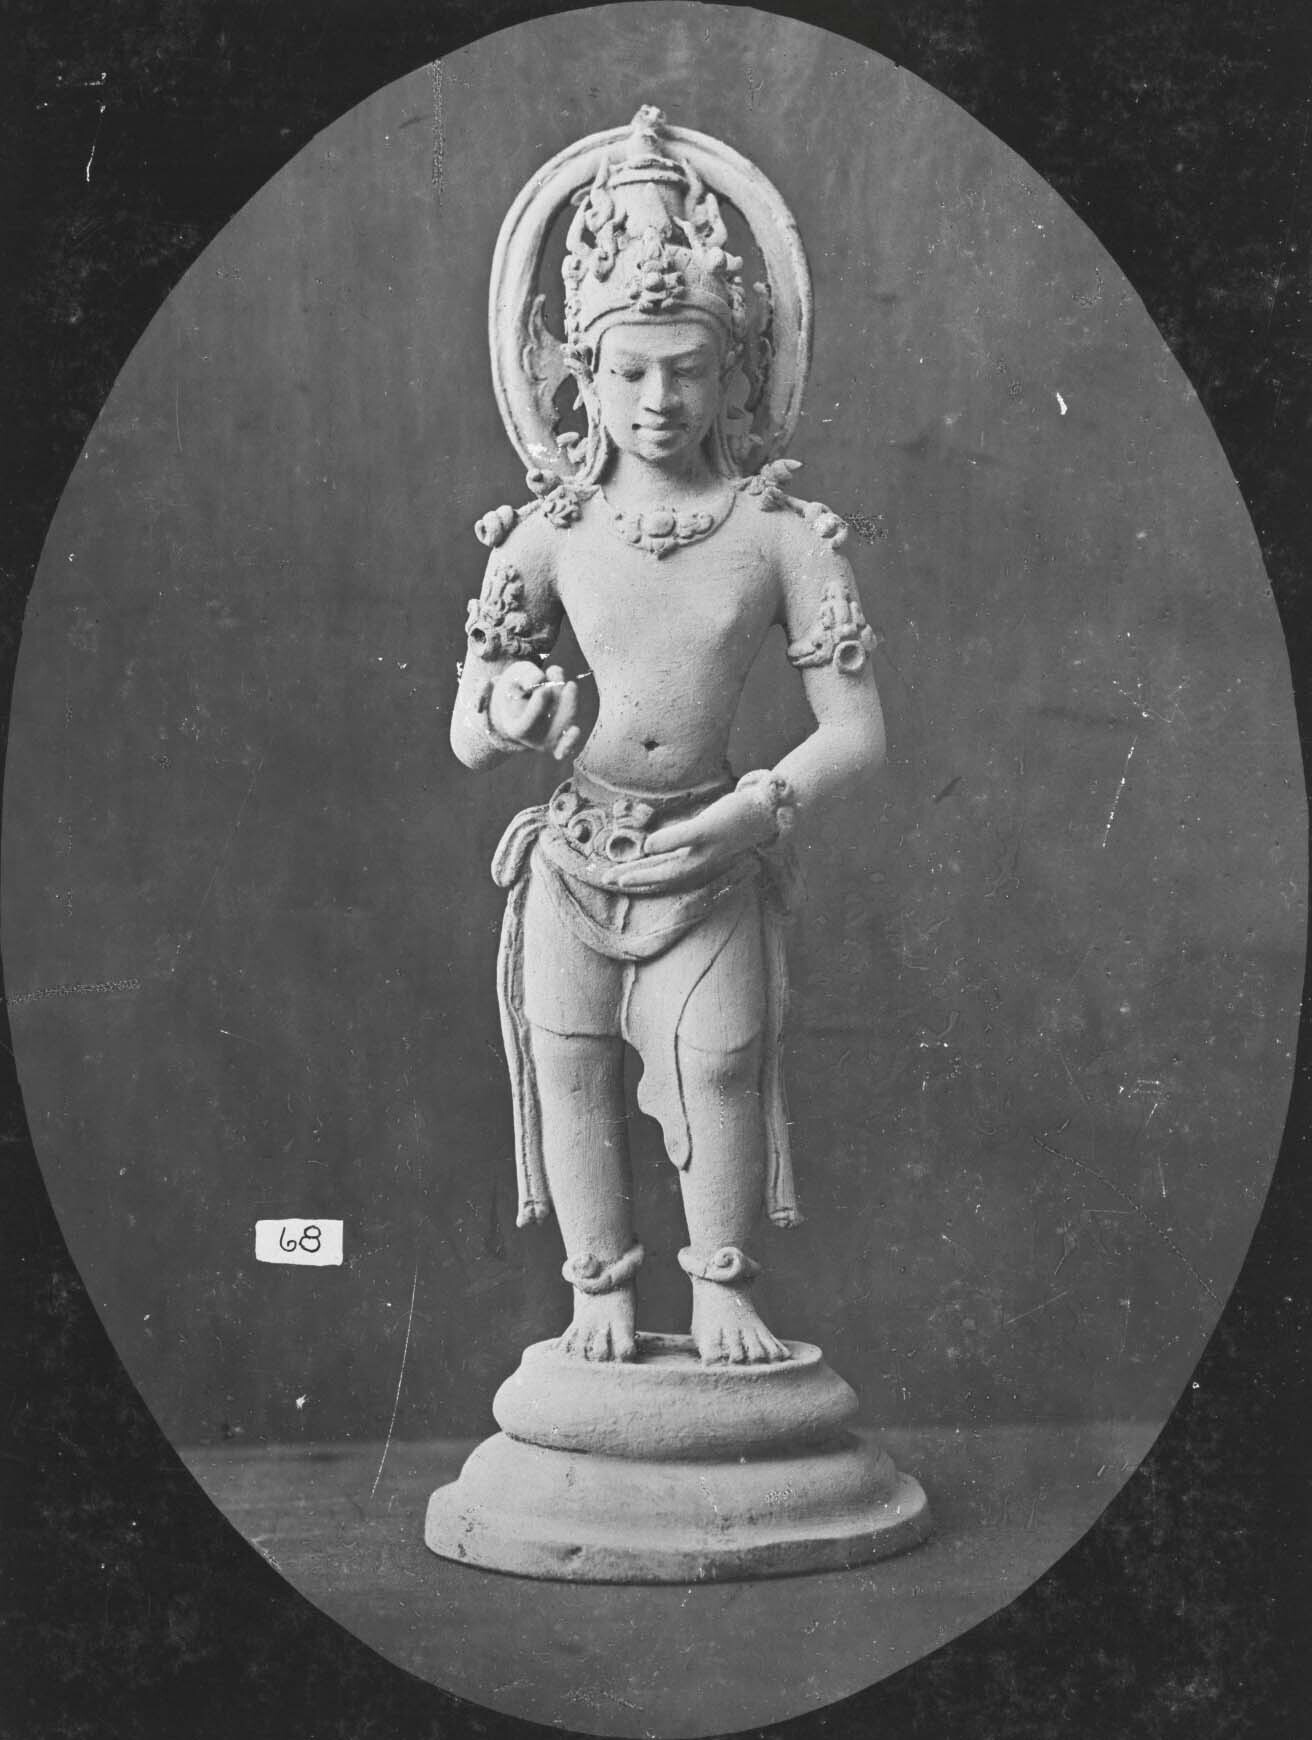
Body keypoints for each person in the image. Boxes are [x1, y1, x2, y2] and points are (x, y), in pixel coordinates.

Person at [450, 109, 886, 1365]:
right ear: (579, 375)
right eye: (630, 371)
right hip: (575, 853)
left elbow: (854, 732)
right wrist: (508, 714)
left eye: (686, 369)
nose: (657, 400)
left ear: (733, 371)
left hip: (713, 849)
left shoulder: (780, 536)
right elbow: (471, 726)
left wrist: (751, 813)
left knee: (724, 1064)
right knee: (571, 1061)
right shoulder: (548, 535)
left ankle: (722, 1287)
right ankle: (597, 1289)